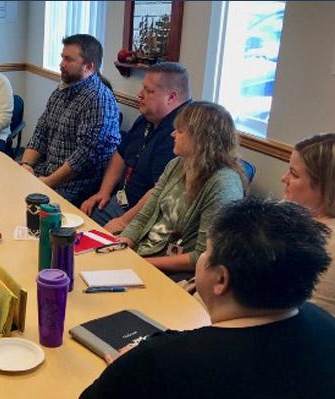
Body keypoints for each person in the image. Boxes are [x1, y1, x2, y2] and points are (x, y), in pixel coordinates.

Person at [77, 197, 335, 399]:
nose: (201, 257)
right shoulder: (331, 329)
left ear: (221, 279)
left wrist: (121, 373)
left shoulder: (160, 361)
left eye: (206, 251)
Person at [117, 101, 245, 279]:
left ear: (199, 138)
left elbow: (203, 256)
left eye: (180, 130)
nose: (172, 134)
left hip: (172, 271)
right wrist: (123, 242)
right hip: (143, 254)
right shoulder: (177, 164)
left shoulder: (223, 184)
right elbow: (144, 216)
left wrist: (141, 263)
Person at [80, 63, 191, 231]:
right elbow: (121, 154)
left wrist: (123, 221)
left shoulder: (179, 135)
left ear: (171, 97)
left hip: (146, 216)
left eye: (149, 91)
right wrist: (104, 192)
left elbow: (159, 192)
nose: (140, 95)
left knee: (87, 236)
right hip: (122, 199)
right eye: (143, 88)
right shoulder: (147, 118)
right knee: (82, 224)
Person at [19, 34, 120, 207]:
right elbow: (41, 133)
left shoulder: (99, 99)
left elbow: (83, 158)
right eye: (62, 58)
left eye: (68, 59)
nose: (61, 64)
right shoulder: (61, 91)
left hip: (73, 187)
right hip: (45, 173)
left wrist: (47, 183)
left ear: (89, 67)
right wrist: (26, 165)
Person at [282, 133, 335, 317]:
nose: (284, 178)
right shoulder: (289, 209)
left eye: (294, 174)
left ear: (326, 187)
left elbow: (316, 317)